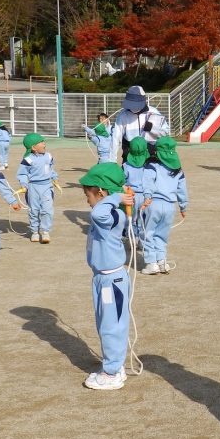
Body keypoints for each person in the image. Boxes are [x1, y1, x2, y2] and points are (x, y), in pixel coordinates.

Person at [79, 162, 136, 390]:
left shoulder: (109, 215)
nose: (87, 200)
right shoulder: (108, 212)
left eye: (89, 195)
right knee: (105, 323)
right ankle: (114, 364)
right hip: (102, 278)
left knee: (111, 326)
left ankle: (112, 372)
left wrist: (116, 198)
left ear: (101, 193)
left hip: (112, 282)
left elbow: (98, 210)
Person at [140, 136, 188, 275]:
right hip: (170, 207)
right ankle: (162, 262)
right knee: (162, 235)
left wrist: (147, 197)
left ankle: (151, 263)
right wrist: (183, 207)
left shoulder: (152, 166)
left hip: (153, 203)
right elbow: (182, 190)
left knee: (147, 233)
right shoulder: (178, 170)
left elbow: (147, 182)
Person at [109, 85, 170, 163]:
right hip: (130, 154)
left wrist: (152, 129)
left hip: (150, 153)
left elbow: (165, 131)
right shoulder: (123, 115)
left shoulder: (153, 112)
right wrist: (111, 161)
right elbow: (115, 138)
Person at [17, 133, 57, 243]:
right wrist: (24, 185)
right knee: (34, 210)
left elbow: (51, 168)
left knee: (47, 210)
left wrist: (54, 178)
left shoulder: (49, 156)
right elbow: (22, 174)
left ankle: (45, 232)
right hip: (33, 187)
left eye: (44, 141)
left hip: (47, 186)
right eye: (41, 142)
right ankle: (34, 231)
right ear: (34, 147)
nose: (44, 144)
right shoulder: (28, 160)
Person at [122, 136, 150, 244]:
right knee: (143, 219)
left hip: (130, 195)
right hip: (145, 196)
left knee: (130, 218)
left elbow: (122, 181)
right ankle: (142, 240)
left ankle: (132, 237)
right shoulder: (148, 165)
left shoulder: (125, 165)